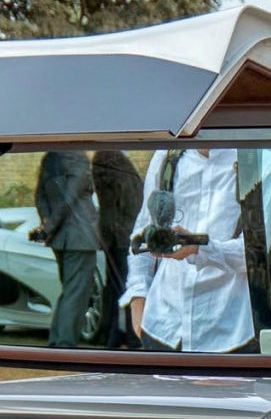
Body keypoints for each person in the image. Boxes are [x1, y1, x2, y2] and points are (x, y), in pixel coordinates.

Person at [126, 148, 250, 352]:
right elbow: (143, 231)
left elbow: (257, 253)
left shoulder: (254, 162)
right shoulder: (166, 158)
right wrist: (137, 298)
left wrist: (199, 249)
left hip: (227, 332)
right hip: (162, 327)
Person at [34, 150, 100, 348]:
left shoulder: (49, 158)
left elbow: (40, 196)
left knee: (69, 290)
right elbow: (69, 200)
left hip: (60, 238)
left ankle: (57, 340)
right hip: (79, 236)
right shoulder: (77, 158)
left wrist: (47, 224)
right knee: (76, 292)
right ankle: (65, 343)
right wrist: (49, 226)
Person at [91, 148, 143, 348]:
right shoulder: (116, 164)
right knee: (126, 287)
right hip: (123, 234)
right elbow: (131, 200)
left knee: (114, 287)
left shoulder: (104, 164)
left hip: (112, 234)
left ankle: (112, 335)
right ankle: (128, 335)